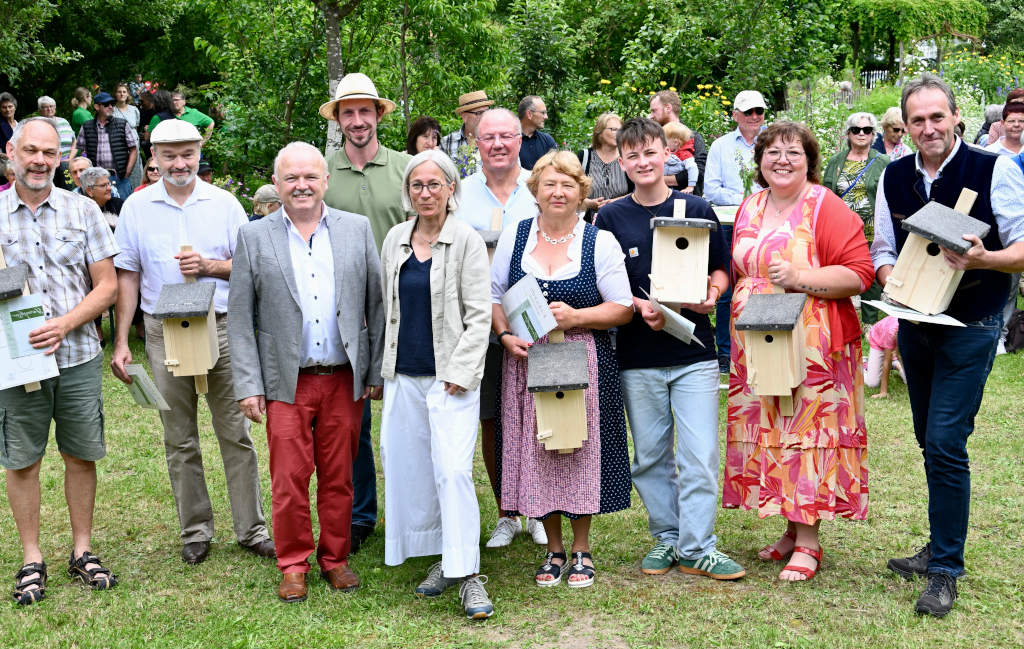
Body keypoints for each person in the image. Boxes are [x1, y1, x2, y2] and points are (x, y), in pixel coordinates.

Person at [872, 74, 1024, 617]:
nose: (929, 128)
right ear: (907, 125)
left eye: (938, 117)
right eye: (918, 120)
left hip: (974, 324)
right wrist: (895, 279)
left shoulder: (994, 167)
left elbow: (1023, 247)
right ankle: (940, 546)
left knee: (944, 442)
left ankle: (945, 572)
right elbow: (883, 249)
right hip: (916, 325)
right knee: (926, 439)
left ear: (957, 117)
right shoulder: (893, 175)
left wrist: (984, 259)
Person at [110, 118, 274, 566]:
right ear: (154, 157)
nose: (179, 164)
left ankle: (252, 528)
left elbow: (249, 266)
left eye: (187, 154)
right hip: (165, 331)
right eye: (169, 156)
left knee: (235, 432)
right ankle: (196, 530)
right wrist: (122, 340)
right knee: (178, 437)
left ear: (200, 153)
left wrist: (209, 266)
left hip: (219, 324)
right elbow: (127, 275)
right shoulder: (137, 208)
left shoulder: (223, 204)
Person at [228, 141, 385, 604]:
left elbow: (376, 306)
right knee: (289, 478)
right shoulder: (254, 237)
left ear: (325, 182)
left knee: (339, 475)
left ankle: (334, 559)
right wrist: (249, 384)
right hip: (284, 381)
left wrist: (373, 370)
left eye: (310, 177)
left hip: (342, 377)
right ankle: (293, 563)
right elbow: (240, 318)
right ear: (276, 184)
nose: (301, 185)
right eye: (291, 178)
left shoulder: (356, 230)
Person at [723, 120, 874, 583]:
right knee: (773, 429)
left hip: (813, 345)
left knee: (805, 432)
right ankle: (791, 529)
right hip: (756, 341)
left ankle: (809, 542)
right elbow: (738, 268)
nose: (782, 160)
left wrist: (799, 278)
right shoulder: (750, 205)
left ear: (809, 161)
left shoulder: (824, 206)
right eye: (773, 152)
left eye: (793, 152)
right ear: (760, 159)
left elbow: (860, 274)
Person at [596, 118, 745, 582]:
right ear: (622, 162)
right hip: (638, 357)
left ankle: (699, 547)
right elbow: (608, 284)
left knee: (698, 455)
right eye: (633, 155)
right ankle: (667, 535)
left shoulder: (696, 207)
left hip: (693, 354)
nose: (643, 162)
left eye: (650, 152)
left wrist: (711, 294)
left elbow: (721, 269)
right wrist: (641, 306)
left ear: (668, 154)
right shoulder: (610, 217)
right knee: (651, 456)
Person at [491, 150, 634, 588]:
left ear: (580, 193)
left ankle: (582, 549)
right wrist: (503, 336)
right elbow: (495, 296)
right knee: (540, 449)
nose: (558, 192)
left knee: (577, 448)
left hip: (582, 359)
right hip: (527, 362)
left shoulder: (598, 241)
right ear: (535, 190)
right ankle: (553, 550)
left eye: (568, 185)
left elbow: (623, 308)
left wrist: (576, 317)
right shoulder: (516, 237)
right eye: (550, 184)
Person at [1, 117, 120, 605]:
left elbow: (108, 285)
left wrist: (66, 323)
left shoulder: (81, 210)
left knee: (80, 454)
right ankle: (32, 557)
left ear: (61, 159)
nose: (39, 161)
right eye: (31, 150)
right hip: (17, 364)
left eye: (49, 153)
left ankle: (82, 551)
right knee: (23, 459)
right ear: (11, 151)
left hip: (76, 356)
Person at [379, 150, 494, 619]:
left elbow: (479, 315)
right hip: (403, 374)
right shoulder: (394, 239)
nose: (425, 193)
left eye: (434, 184)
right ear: (408, 192)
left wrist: (460, 373)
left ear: (451, 189)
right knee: (413, 472)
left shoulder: (465, 239)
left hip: (451, 380)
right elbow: (386, 308)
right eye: (417, 185)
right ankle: (446, 560)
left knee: (453, 471)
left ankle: (469, 576)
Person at [319, 72, 411, 552]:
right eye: (347, 112)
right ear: (338, 119)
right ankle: (359, 516)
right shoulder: (321, 171)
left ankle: (412, 512)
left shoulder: (406, 168)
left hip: (404, 310)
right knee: (352, 423)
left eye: (365, 111)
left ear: (378, 115)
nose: (357, 120)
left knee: (409, 414)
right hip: (345, 314)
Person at [452, 108, 546, 549]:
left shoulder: (539, 188)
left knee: (540, 413)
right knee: (493, 417)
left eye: (506, 136)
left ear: (519, 139)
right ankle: (508, 510)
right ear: (476, 141)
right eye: (488, 137)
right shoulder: (460, 193)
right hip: (477, 323)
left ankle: (543, 508)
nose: (497, 145)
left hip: (537, 320)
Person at [823, 112, 890, 324]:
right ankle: (840, 320)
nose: (861, 134)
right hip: (841, 228)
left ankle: (869, 323)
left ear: (873, 134)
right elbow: (826, 194)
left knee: (869, 274)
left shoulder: (883, 162)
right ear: (848, 134)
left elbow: (890, 194)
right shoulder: (836, 161)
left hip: (870, 227)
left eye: (867, 130)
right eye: (856, 130)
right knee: (839, 272)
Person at [70, 91, 139, 197]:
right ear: (97, 107)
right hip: (95, 179)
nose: (110, 107)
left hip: (119, 177)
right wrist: (69, 161)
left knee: (121, 209)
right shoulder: (87, 126)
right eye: (106, 104)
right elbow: (79, 148)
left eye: (112, 104)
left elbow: (134, 149)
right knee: (98, 211)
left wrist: (126, 174)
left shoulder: (122, 124)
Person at [649, 90, 707, 193]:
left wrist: (655, 180)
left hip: (686, 203)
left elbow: (699, 172)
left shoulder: (692, 137)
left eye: (654, 110)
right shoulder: (651, 138)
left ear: (668, 108)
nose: (651, 116)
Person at [577, 112, 630, 222]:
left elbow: (638, 192)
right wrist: (588, 203)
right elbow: (571, 188)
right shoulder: (585, 156)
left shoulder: (628, 157)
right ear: (599, 132)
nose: (618, 134)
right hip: (588, 223)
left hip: (622, 219)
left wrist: (615, 202)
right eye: (613, 129)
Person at [440, 90, 493, 172]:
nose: (484, 117)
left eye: (486, 112)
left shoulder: (498, 140)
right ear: (464, 116)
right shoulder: (447, 143)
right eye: (479, 113)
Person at [148, 91, 215, 145]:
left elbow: (211, 123)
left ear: (184, 102)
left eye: (176, 100)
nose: (174, 102)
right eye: (171, 100)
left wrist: (202, 142)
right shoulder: (161, 116)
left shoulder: (193, 113)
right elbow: (151, 137)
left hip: (191, 153)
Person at [864, 316, 904, 397]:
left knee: (910, 381)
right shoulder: (891, 332)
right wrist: (883, 392)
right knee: (872, 383)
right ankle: (864, 364)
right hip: (878, 340)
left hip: (895, 344)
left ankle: (895, 363)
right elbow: (887, 361)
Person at [517, 95, 556, 170]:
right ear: (529, 114)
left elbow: (555, 169)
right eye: (543, 113)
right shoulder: (510, 140)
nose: (546, 117)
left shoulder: (547, 140)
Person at [662, 121, 697, 194]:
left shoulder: (684, 155)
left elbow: (693, 168)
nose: (661, 142)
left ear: (675, 142)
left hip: (679, 190)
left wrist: (691, 186)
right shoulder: (665, 152)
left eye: (664, 140)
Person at [36, 96, 75, 162]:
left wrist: (70, 158)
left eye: (51, 106)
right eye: (45, 107)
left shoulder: (64, 121)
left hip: (68, 161)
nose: (49, 109)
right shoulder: (37, 125)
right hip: (48, 163)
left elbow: (74, 142)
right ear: (40, 110)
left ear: (55, 107)